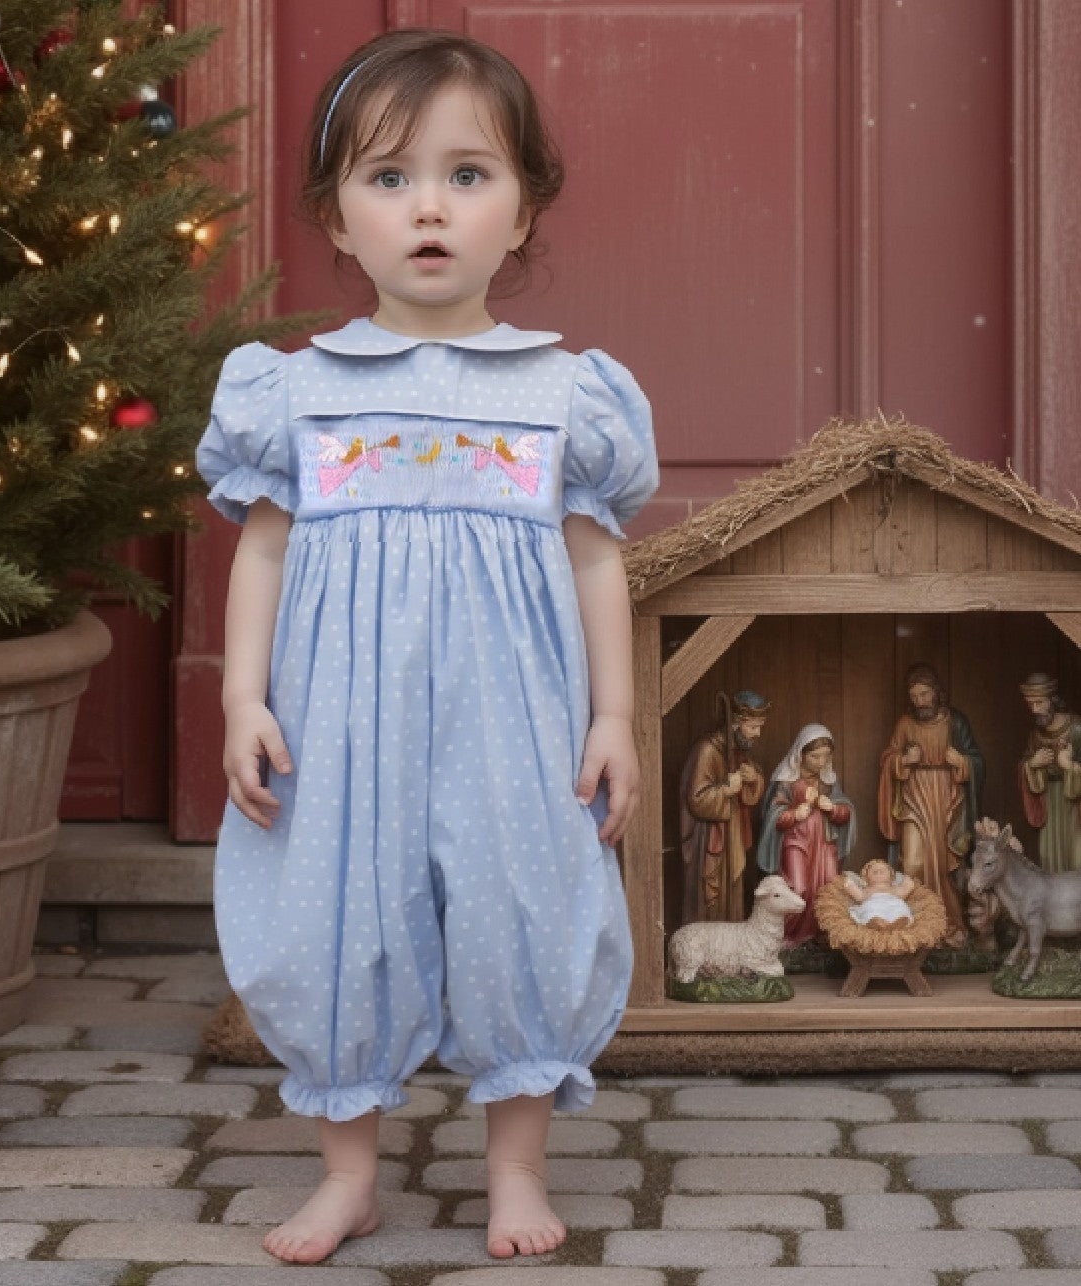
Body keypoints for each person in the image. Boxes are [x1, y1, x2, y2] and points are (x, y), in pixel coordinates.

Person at [195, 29, 658, 1267]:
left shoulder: (566, 393)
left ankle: (514, 1163)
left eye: (467, 175)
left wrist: (614, 715)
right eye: (388, 179)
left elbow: (597, 557)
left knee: (519, 906)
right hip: (341, 715)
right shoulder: (291, 393)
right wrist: (244, 694)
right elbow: (263, 552)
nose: (429, 209)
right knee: (342, 912)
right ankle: (349, 1172)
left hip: (512, 712)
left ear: (523, 209)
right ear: (337, 220)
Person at [878, 664, 983, 947]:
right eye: (914, 696)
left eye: (925, 694)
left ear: (937, 692)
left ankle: (949, 923)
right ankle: (913, 925)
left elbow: (976, 760)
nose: (920, 701)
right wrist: (902, 761)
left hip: (947, 801)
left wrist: (962, 762)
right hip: (913, 797)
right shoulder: (905, 723)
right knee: (912, 862)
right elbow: (888, 757)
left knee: (945, 864)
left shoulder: (955, 722)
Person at [757, 723, 856, 948]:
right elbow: (772, 817)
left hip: (824, 845)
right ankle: (788, 938)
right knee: (798, 888)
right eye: (814, 757)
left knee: (829, 889)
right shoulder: (786, 781)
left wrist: (832, 808)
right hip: (795, 842)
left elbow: (846, 814)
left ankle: (823, 937)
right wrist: (794, 813)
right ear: (800, 753)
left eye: (825, 757)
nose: (820, 763)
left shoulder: (828, 782)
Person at [679, 691, 769, 924]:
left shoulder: (738, 750)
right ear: (737, 723)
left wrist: (753, 779)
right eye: (753, 727)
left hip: (734, 836)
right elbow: (696, 799)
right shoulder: (708, 750)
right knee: (713, 894)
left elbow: (752, 791)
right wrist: (726, 790)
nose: (758, 734)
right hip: (711, 840)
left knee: (734, 886)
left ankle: (731, 944)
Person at [1018, 673, 1081, 872]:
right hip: (1050, 804)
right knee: (1050, 857)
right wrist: (1032, 765)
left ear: (1052, 700)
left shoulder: (1076, 729)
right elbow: (1024, 766)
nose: (1035, 710)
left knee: (1076, 855)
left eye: (1039, 703)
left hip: (1075, 806)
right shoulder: (1036, 735)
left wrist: (1069, 766)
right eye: (1030, 704)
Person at [843, 859, 915, 928]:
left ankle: (899, 921)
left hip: (893, 902)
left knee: (900, 906)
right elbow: (859, 896)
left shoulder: (894, 888)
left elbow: (907, 888)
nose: (878, 871)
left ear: (891, 876)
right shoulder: (867, 890)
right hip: (873, 902)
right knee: (870, 908)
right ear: (866, 878)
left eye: (882, 871)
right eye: (874, 871)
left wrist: (906, 878)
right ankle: (874, 922)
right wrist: (849, 883)